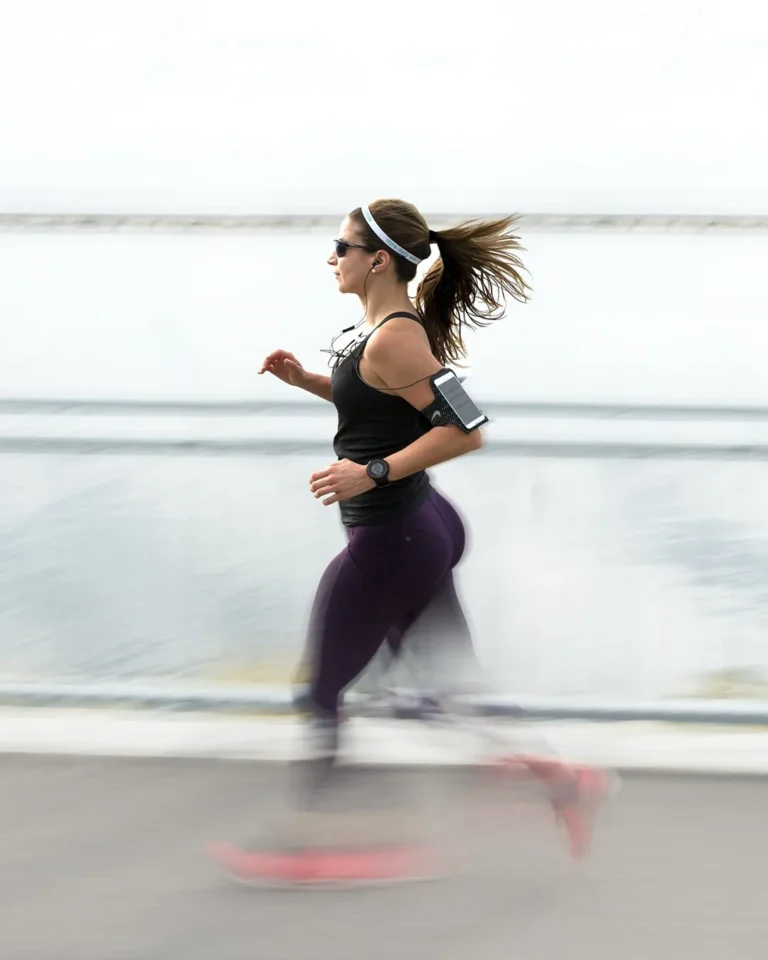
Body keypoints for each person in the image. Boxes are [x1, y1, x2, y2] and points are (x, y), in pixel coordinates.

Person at [212, 199, 612, 885]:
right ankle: (562, 779)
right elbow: (382, 402)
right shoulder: (384, 331)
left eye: (340, 246)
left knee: (322, 693)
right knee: (443, 689)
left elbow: (467, 428)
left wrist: (372, 473)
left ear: (375, 259)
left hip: (394, 538)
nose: (331, 258)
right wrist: (308, 380)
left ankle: (313, 846)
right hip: (421, 528)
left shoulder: (397, 336)